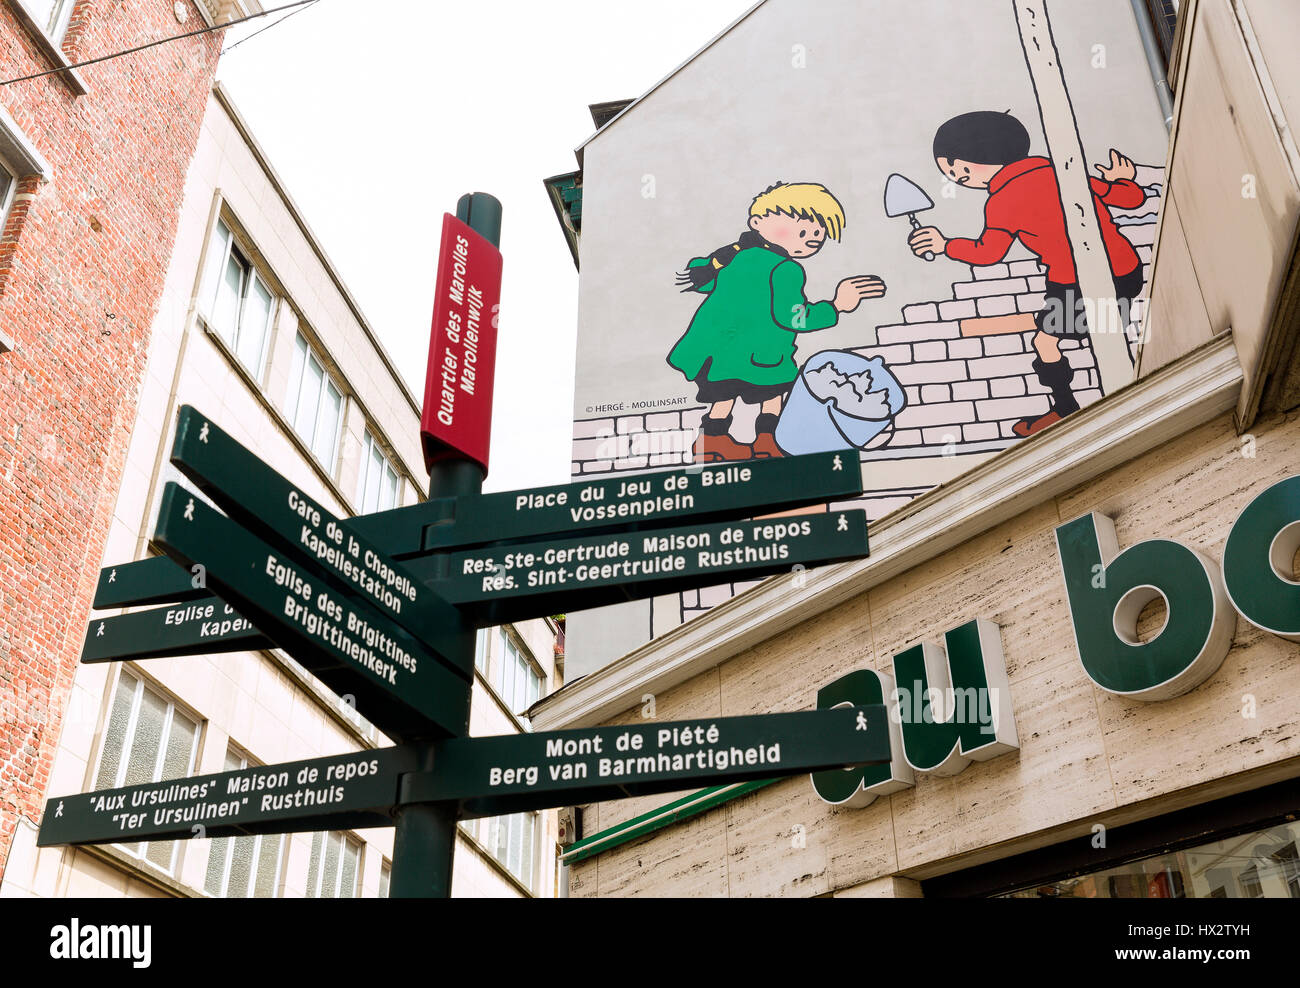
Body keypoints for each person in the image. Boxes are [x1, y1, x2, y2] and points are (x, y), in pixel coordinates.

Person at [908, 111, 1148, 437]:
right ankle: (1125, 389)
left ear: (977, 159)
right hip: (1126, 270)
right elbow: (1132, 199)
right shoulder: (1061, 170)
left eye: (955, 169)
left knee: (1046, 341)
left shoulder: (1003, 200)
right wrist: (1123, 180)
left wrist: (945, 245)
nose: (955, 177)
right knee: (1102, 330)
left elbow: (987, 253)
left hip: (1075, 281)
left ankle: (1068, 409)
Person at [668, 182, 886, 462]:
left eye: (818, 235)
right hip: (760, 356)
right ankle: (767, 443)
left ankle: (711, 443)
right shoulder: (785, 269)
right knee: (774, 396)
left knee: (723, 395)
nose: (811, 239)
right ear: (758, 222)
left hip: (714, 352)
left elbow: (703, 284)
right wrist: (836, 306)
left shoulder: (736, 257)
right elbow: (793, 316)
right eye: (804, 230)